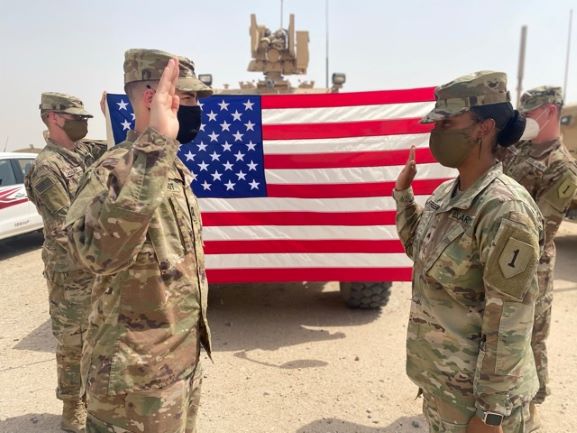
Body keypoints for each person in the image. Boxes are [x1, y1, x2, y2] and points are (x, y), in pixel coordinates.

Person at [65, 49, 213, 433]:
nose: (197, 108)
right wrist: (155, 147)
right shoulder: (115, 168)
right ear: (153, 99)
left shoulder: (170, 166)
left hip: (175, 366)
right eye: (190, 97)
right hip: (133, 383)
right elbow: (97, 254)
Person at [393, 71, 544, 433]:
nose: (436, 132)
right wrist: (403, 197)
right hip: (445, 391)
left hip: (481, 407)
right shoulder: (448, 194)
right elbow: (421, 252)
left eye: (447, 123)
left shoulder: (504, 209)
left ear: (483, 127)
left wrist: (491, 414)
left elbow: (510, 320)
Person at [24, 92, 107, 433]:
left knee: (100, 336)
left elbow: (119, 148)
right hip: (70, 270)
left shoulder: (82, 152)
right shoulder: (47, 168)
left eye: (86, 118)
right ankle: (73, 406)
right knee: (74, 341)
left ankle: (97, 399)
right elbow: (65, 226)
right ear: (53, 118)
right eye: (77, 117)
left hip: (96, 265)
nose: (83, 123)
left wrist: (112, 113)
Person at [498, 86, 577, 417]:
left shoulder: (564, 170)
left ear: (549, 112)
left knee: (531, 336)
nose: (525, 119)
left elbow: (540, 228)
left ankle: (531, 408)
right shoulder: (518, 150)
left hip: (533, 268)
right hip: (501, 258)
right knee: (502, 333)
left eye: (529, 113)